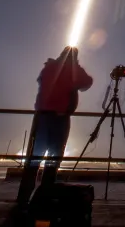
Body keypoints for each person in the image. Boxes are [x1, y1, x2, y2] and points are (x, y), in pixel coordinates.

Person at [16, 46, 94, 205]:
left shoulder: (48, 67)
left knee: (34, 159)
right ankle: (44, 197)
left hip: (41, 117)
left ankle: (23, 199)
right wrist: (76, 66)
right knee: (53, 159)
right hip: (59, 118)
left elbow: (41, 81)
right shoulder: (72, 71)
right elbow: (87, 82)